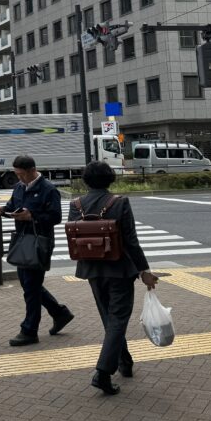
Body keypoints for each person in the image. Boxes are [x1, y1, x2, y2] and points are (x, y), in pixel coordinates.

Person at [68, 161, 158, 395]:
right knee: (117, 319)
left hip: (91, 269)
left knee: (110, 318)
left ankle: (124, 362)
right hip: (119, 269)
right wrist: (144, 271)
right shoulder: (119, 203)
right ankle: (103, 372)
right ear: (110, 179)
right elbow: (131, 240)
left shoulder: (76, 204)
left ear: (86, 180)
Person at [0, 154, 73, 347]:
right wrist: (2, 210)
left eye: (21, 174)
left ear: (31, 171)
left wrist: (32, 216)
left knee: (31, 286)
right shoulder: (20, 187)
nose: (19, 178)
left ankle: (29, 330)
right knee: (30, 285)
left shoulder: (48, 189)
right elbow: (13, 206)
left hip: (39, 242)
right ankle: (60, 313)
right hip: (23, 240)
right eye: (16, 174)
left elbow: (55, 217)